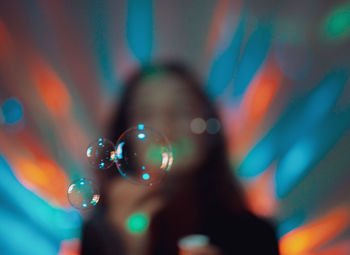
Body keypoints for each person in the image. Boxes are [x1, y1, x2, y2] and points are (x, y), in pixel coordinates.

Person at [81, 62, 280, 255]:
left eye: (181, 109)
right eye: (147, 113)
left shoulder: (255, 235)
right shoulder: (101, 235)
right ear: (124, 137)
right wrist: (129, 247)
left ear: (207, 131)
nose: (166, 124)